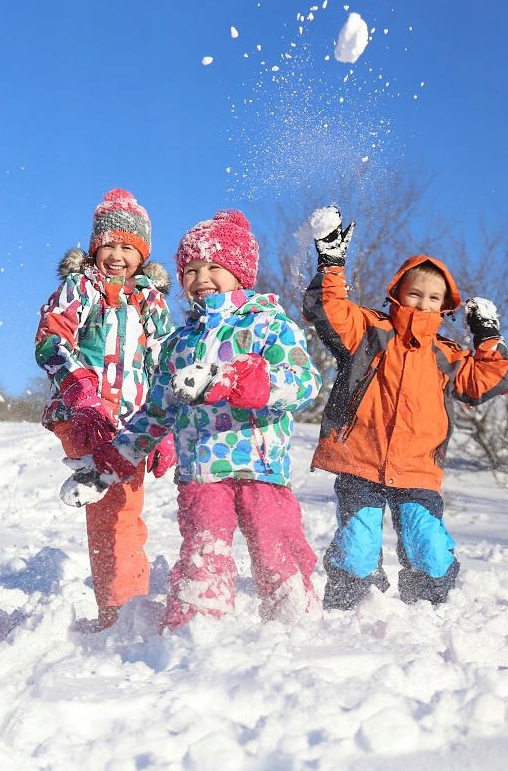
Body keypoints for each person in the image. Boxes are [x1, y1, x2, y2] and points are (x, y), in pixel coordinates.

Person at [64, 209, 323, 629]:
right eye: (191, 269)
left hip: (261, 469)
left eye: (214, 267)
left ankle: (295, 618)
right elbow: (156, 414)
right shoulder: (179, 344)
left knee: (277, 546)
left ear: (240, 272)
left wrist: (240, 381)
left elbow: (304, 384)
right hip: (202, 472)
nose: (201, 277)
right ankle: (198, 625)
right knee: (203, 549)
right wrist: (107, 464)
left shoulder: (270, 325)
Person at [301, 205, 508, 609]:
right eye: (414, 294)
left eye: (434, 298)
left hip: (418, 466)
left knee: (430, 548)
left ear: (446, 306)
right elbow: (329, 311)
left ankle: (430, 609)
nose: (422, 304)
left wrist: (487, 338)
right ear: (396, 294)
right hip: (360, 459)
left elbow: (488, 380)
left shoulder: (447, 355)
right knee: (358, 546)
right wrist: (331, 263)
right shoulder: (370, 332)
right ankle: (351, 609)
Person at [35, 188, 176, 629]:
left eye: (128, 247)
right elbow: (51, 339)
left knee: (121, 510)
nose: (117, 255)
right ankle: (122, 610)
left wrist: (164, 428)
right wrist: (81, 390)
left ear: (142, 254)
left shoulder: (152, 302)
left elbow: (167, 363)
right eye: (109, 244)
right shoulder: (80, 287)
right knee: (116, 511)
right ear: (95, 247)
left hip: (133, 420)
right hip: (85, 413)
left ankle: (123, 606)